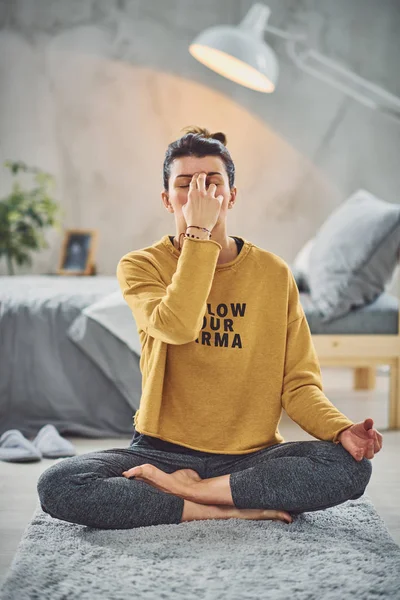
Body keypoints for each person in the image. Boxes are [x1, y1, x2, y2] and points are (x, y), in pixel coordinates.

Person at [37, 126, 382, 529]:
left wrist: (342, 429)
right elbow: (179, 325)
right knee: (59, 484)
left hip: (249, 458)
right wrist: (199, 234)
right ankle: (224, 506)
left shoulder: (273, 274)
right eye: (185, 185)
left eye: (211, 183)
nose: (199, 195)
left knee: (350, 468)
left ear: (231, 196)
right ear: (167, 200)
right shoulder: (141, 266)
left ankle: (194, 493)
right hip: (161, 454)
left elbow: (299, 385)